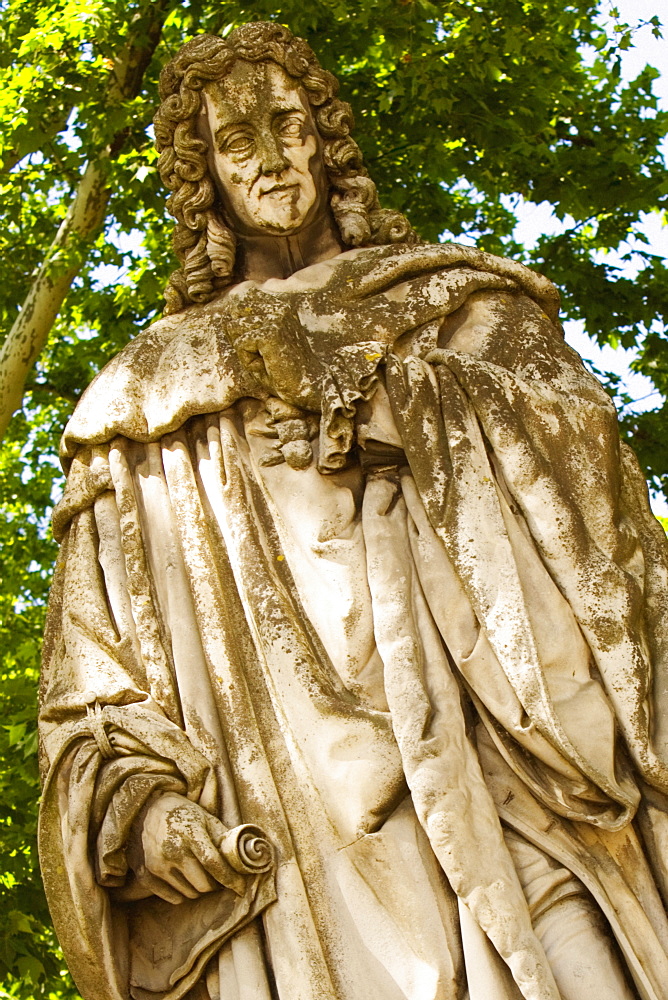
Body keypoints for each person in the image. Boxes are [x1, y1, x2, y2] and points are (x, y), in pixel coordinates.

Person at [38, 21, 668, 1000]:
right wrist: (139, 809)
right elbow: (93, 682)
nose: (270, 159)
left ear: (324, 138)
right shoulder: (139, 404)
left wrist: (389, 408)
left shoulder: (453, 304)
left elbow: (595, 503)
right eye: (234, 142)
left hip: (500, 772)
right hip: (289, 839)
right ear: (201, 171)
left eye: (285, 124)